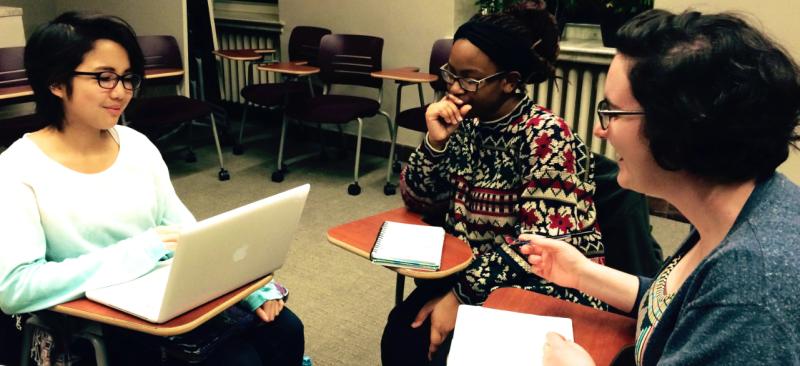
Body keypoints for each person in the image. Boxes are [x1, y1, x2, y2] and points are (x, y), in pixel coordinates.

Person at [0, 12, 303, 366]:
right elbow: (15, 287)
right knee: (239, 360)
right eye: (104, 78)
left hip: (159, 295)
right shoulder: (18, 168)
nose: (121, 92)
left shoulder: (135, 145)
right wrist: (142, 250)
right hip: (93, 318)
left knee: (285, 329)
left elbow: (186, 232)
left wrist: (249, 287)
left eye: (128, 78)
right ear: (55, 82)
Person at [521, 9, 800, 366]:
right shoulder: (740, 206)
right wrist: (581, 273)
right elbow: (679, 307)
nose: (600, 130)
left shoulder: (751, 292)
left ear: (679, 128)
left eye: (613, 111)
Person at [381, 2, 607, 365]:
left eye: (469, 78)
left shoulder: (546, 137)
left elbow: (539, 249)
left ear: (509, 82)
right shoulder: (467, 124)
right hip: (469, 272)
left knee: (436, 352)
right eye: (449, 74)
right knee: (401, 334)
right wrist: (434, 143)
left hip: (538, 290)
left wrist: (459, 297)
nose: (453, 88)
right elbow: (418, 197)